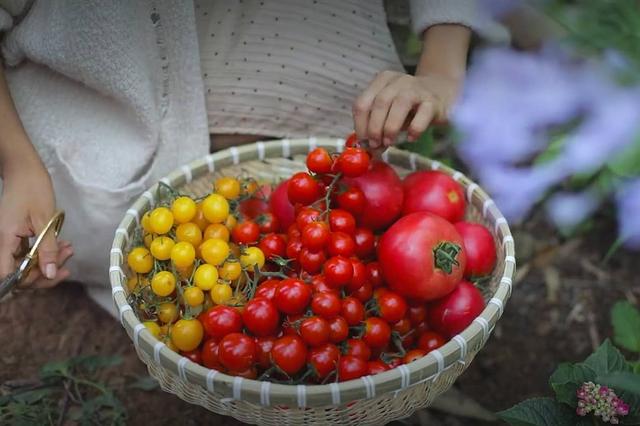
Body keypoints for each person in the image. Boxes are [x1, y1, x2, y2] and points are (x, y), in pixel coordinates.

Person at [0, 1, 506, 317]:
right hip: (87, 165)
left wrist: (442, 69)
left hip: (332, 133)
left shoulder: (345, 179)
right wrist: (20, 164)